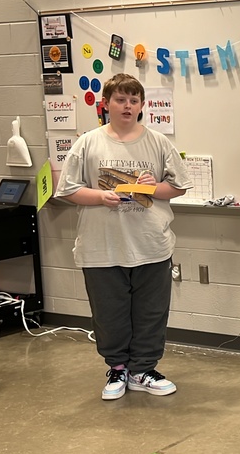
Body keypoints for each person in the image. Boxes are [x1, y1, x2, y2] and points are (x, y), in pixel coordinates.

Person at [56, 73, 191, 400]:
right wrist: (101, 197)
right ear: (106, 104)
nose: (127, 106)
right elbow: (68, 189)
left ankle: (142, 371)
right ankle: (118, 370)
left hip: (151, 245)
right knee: (109, 313)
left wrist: (150, 187)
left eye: (133, 100)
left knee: (151, 312)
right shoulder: (88, 142)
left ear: (142, 105)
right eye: (120, 99)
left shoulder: (158, 142)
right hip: (101, 248)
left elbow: (178, 186)